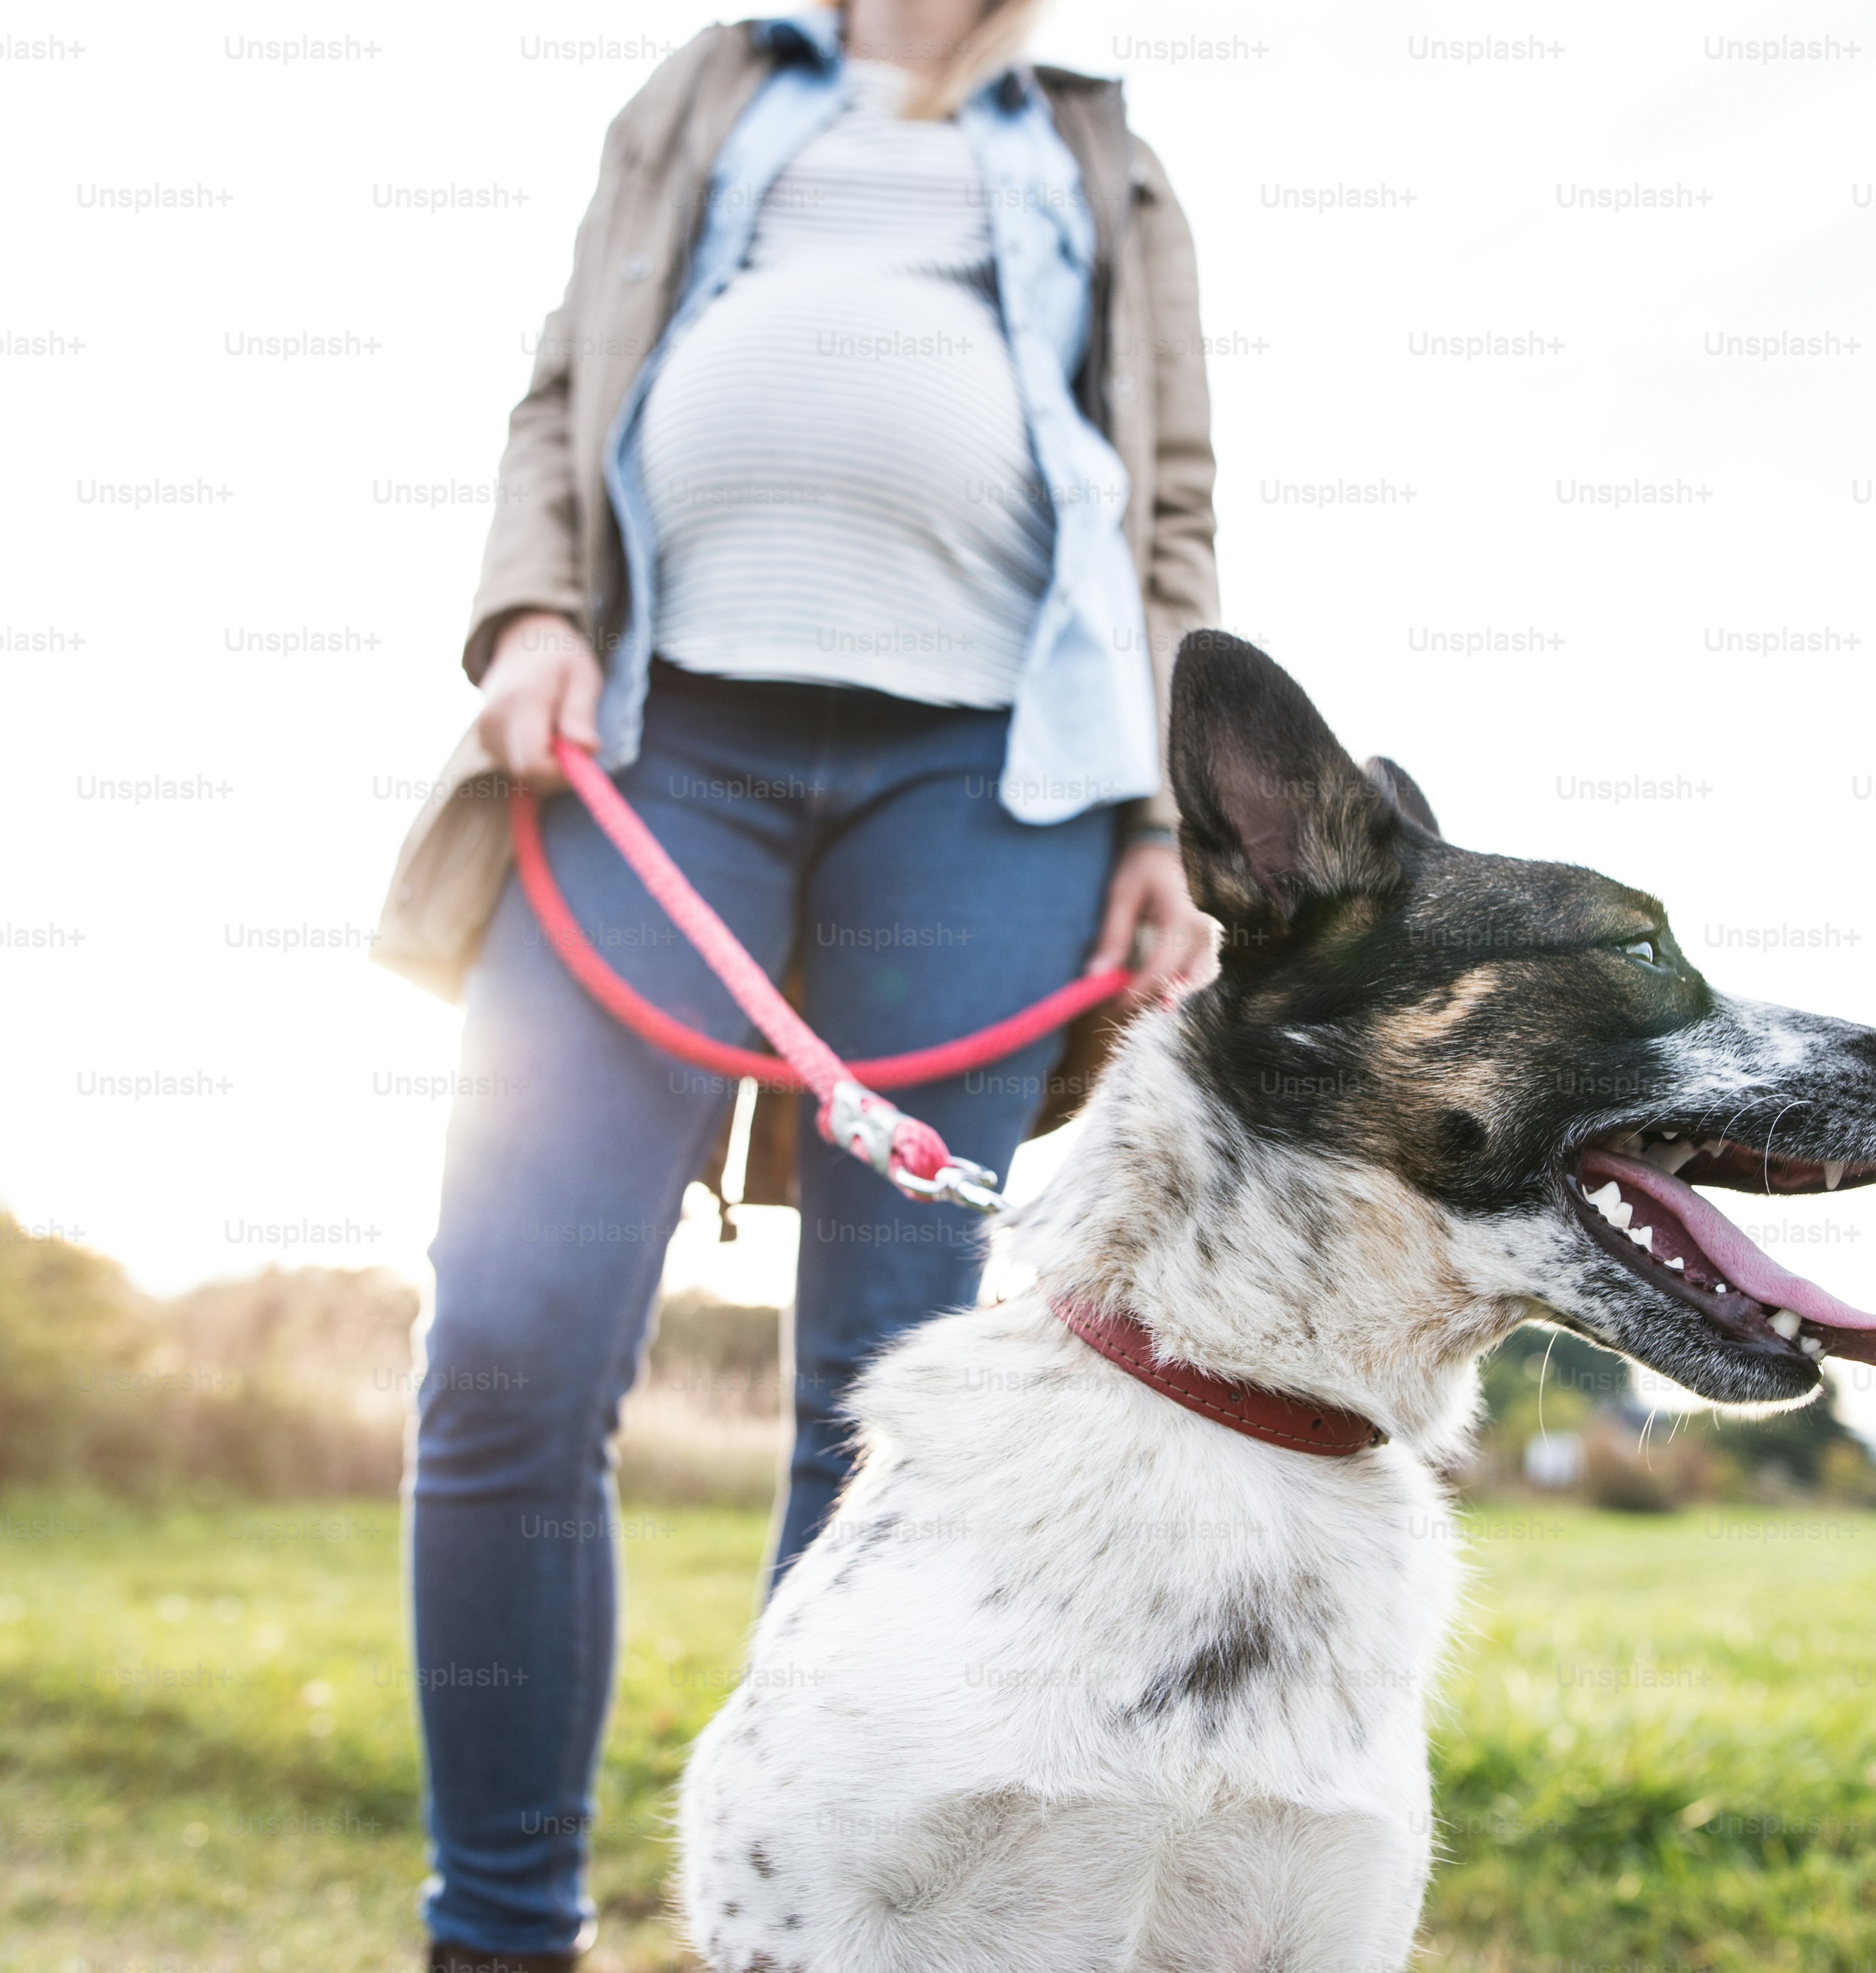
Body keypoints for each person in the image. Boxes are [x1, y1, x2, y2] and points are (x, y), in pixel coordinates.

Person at [404, 2, 1221, 1965]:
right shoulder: (713, 83)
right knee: (510, 1338)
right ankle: (498, 1927)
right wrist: (527, 607)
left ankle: (817, 1931)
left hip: (997, 777)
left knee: (888, 1395)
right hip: (649, 731)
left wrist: (1172, 816)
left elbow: (1168, 499)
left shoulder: (1099, 144)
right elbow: (557, 391)